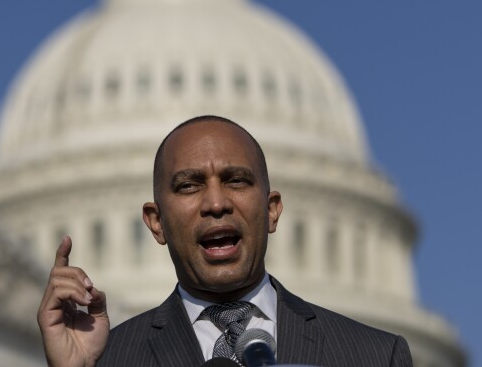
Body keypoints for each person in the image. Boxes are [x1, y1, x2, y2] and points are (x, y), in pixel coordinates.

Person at [37, 115, 413, 366]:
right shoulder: (107, 360)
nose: (216, 203)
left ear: (272, 210)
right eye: (189, 186)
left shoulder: (374, 356)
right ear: (156, 223)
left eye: (236, 181)